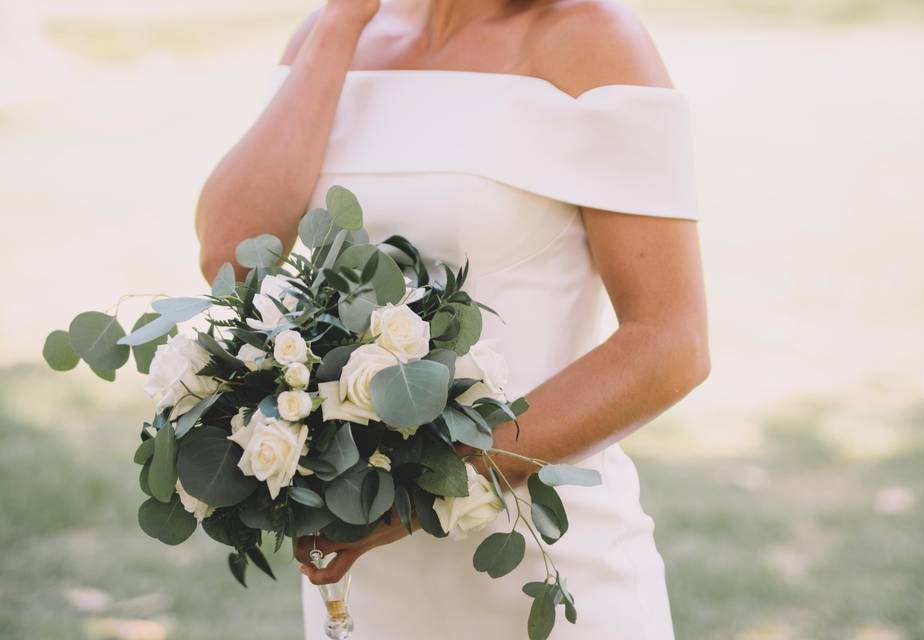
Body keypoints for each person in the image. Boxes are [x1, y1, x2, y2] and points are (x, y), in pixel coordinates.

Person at [195, 1, 709, 637]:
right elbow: (232, 256)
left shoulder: (592, 38)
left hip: (541, 560)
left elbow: (670, 343)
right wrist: (340, 23)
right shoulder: (333, 36)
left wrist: (426, 490)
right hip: (361, 572)